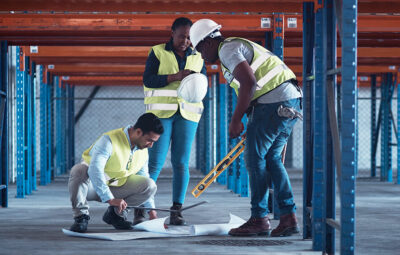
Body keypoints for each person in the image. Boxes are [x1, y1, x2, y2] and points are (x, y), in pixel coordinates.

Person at [190, 19, 302, 237]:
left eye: (200, 50)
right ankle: (288, 217)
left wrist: (236, 120)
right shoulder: (236, 47)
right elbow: (251, 85)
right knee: (272, 160)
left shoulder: (227, 49)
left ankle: (259, 218)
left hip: (273, 104)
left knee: (254, 160)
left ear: (207, 42)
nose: (202, 56)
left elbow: (249, 83)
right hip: (289, 102)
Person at [142, 17, 207, 226]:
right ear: (172, 33)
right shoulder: (158, 51)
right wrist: (174, 77)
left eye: (189, 38)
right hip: (161, 114)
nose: (185, 41)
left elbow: (203, 85)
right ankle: (143, 206)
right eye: (182, 36)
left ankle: (176, 210)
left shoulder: (198, 56)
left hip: (188, 115)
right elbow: (148, 80)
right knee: (155, 163)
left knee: (181, 163)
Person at [68, 113, 164, 233]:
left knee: (149, 185)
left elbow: (144, 177)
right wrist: (109, 199)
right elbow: (95, 170)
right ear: (138, 132)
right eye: (149, 140)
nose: (151, 145)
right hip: (91, 187)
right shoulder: (109, 140)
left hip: (116, 188)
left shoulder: (142, 150)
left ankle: (115, 214)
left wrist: (152, 212)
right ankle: (81, 217)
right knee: (79, 170)